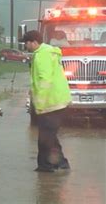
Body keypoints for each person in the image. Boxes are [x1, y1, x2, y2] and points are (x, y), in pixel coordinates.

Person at [21, 30, 72, 172]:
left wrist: (40, 104)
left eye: (26, 43)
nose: (26, 46)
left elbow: (45, 80)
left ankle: (45, 167)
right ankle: (61, 163)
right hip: (57, 101)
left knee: (45, 138)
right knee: (50, 136)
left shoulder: (42, 55)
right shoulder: (46, 53)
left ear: (33, 42)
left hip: (51, 103)